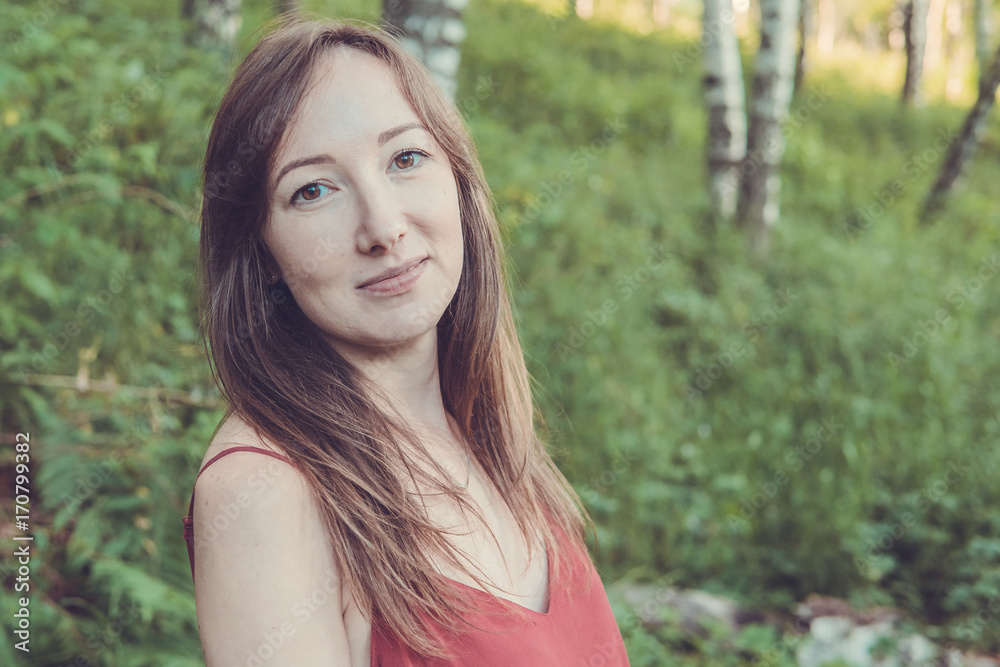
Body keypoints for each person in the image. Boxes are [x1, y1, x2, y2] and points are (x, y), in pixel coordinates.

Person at [182, 18, 630, 666]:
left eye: (405, 158)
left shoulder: (488, 440)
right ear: (261, 250)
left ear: (457, 178)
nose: (384, 225)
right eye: (313, 190)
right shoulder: (265, 491)